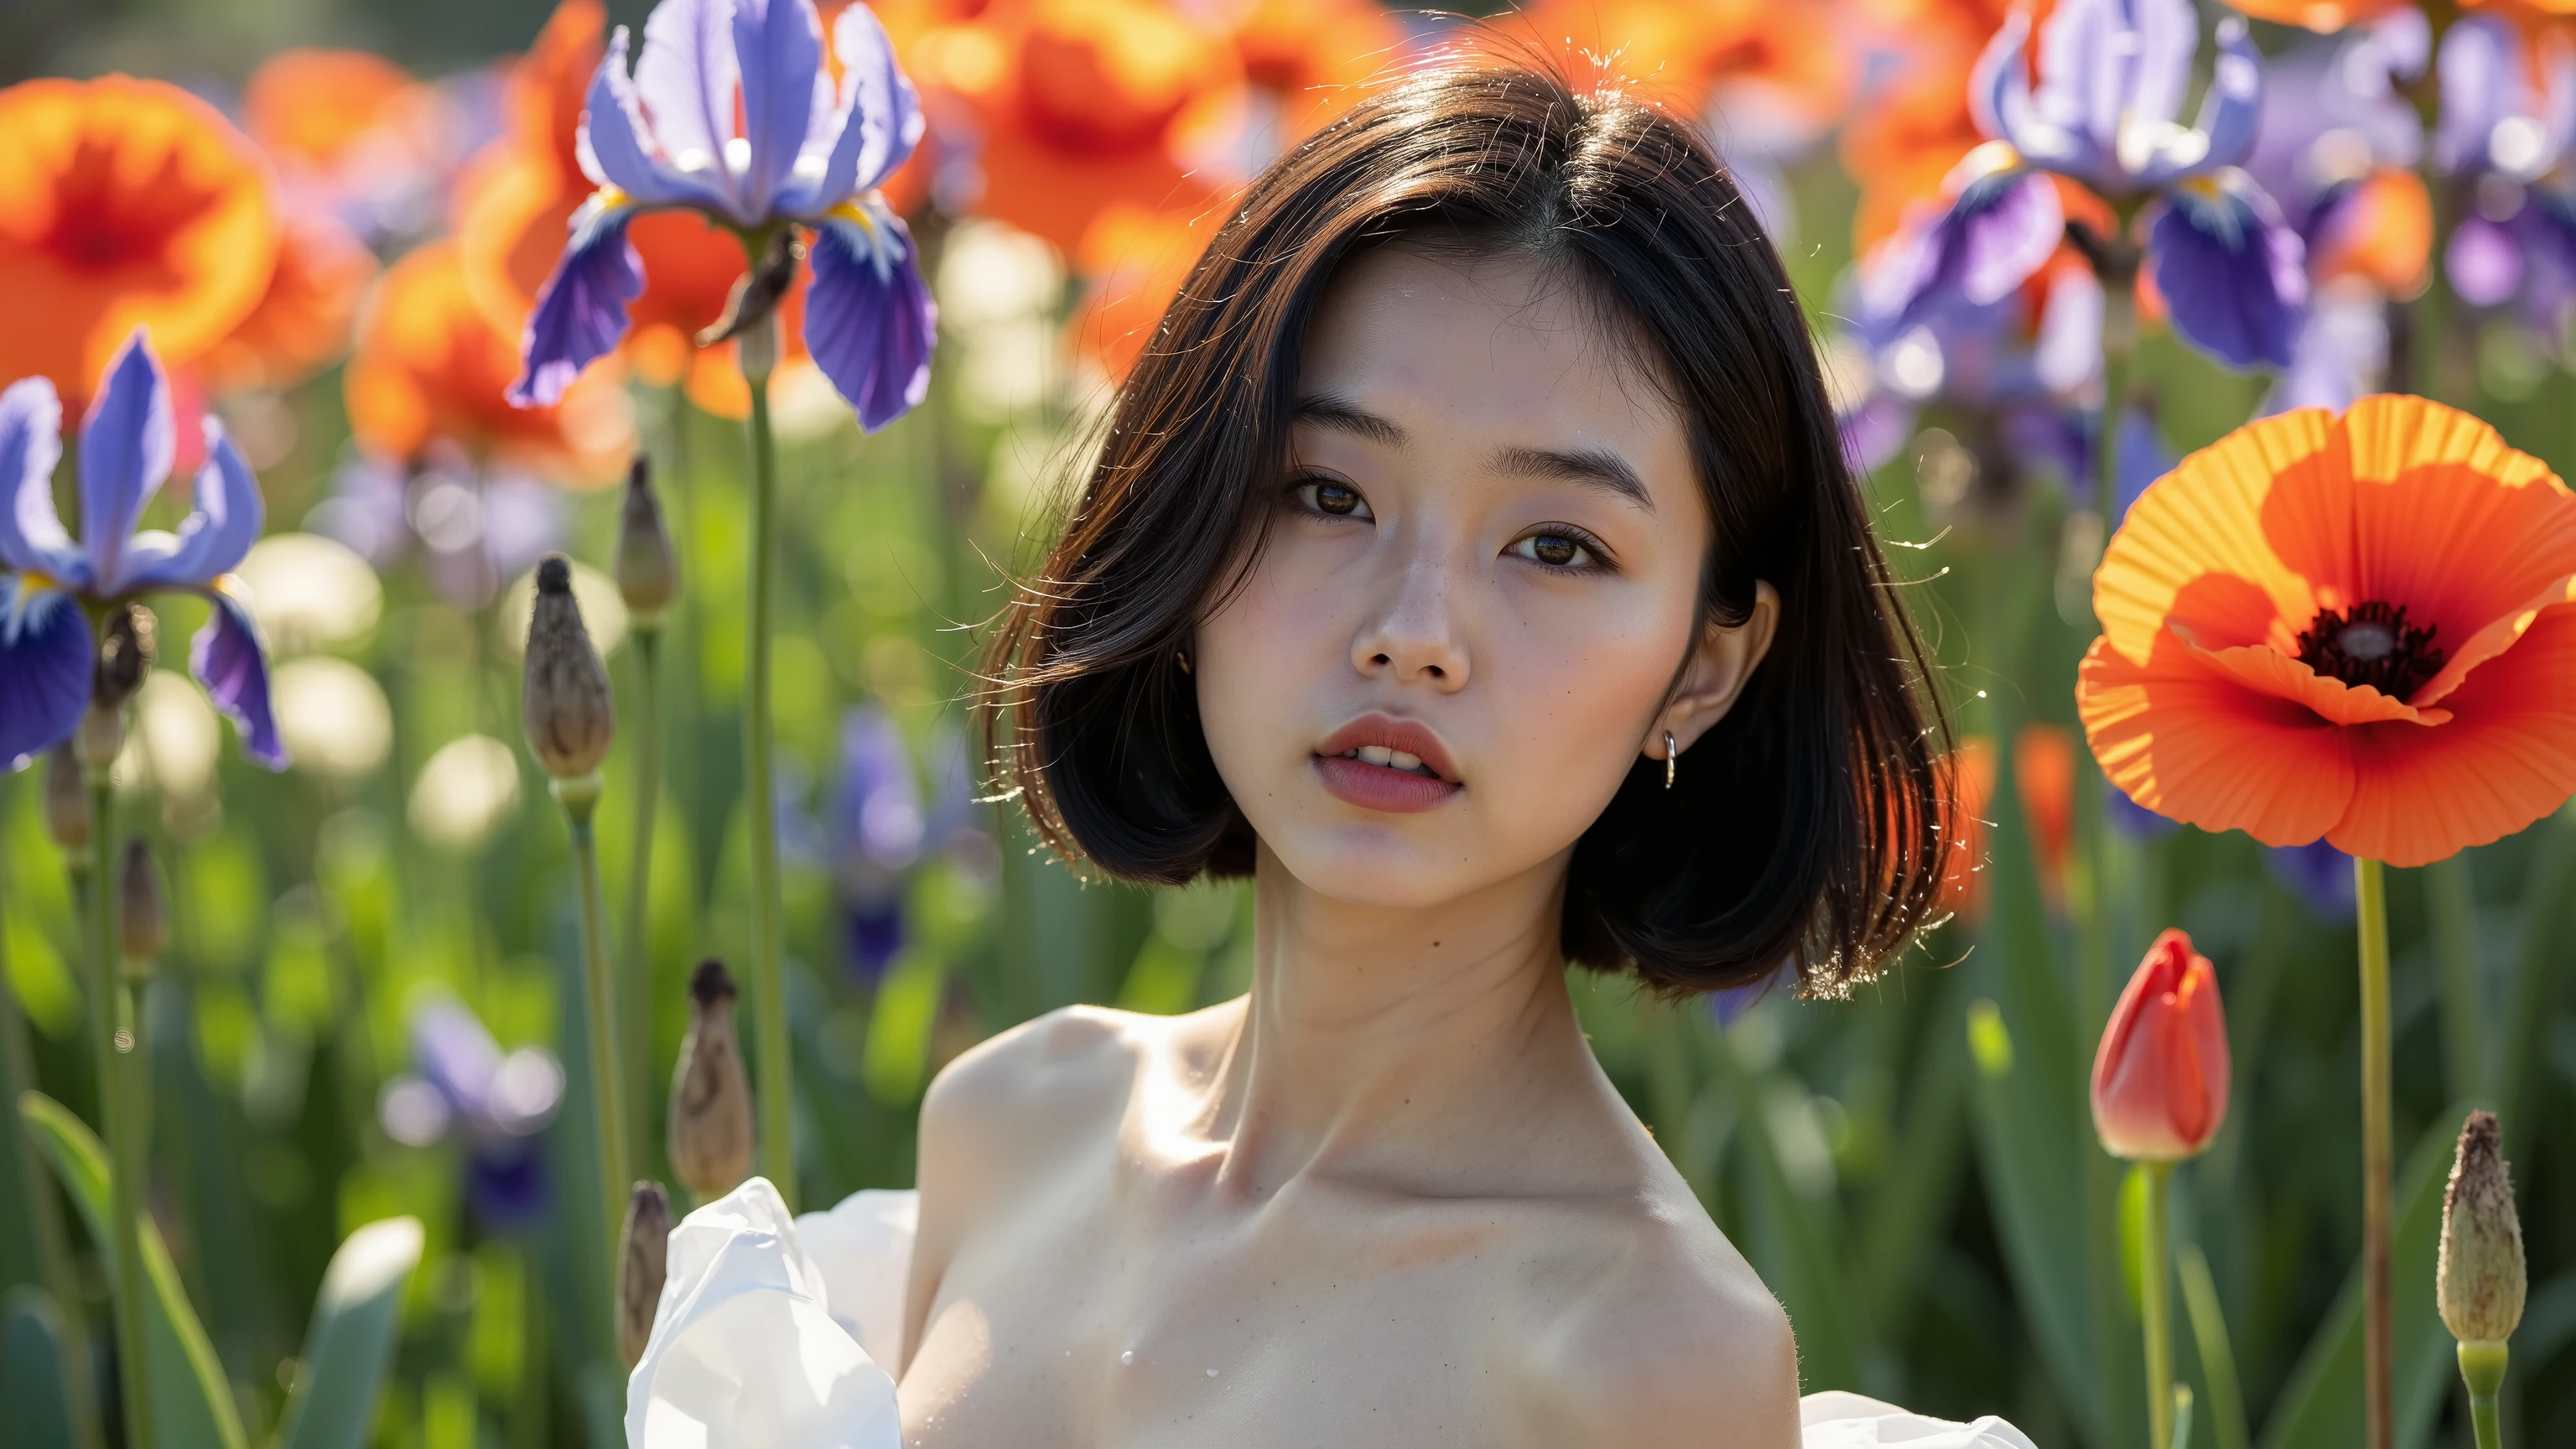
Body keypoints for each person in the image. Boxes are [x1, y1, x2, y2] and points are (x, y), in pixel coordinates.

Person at [625, 55, 2033, 1449]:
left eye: (1558, 545)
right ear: (1195, 516)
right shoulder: (1013, 1122)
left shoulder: (1644, 1352)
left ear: (1707, 663)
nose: (1413, 634)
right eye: (1325, 492)